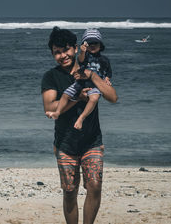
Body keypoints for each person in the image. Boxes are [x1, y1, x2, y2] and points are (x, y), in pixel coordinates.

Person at [41, 27, 117, 224]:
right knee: (69, 192)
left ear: (75, 49)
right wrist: (78, 98)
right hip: (65, 144)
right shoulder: (51, 77)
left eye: (66, 50)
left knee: (95, 186)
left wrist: (92, 76)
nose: (62, 55)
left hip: (92, 141)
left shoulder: (92, 68)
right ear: (52, 54)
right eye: (57, 52)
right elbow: (49, 107)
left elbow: (113, 97)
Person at [45, 28, 112, 130]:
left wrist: (106, 78)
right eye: (89, 43)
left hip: (94, 86)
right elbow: (80, 59)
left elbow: (113, 96)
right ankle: (57, 113)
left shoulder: (104, 60)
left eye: (95, 43)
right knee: (66, 93)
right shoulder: (85, 57)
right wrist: (83, 51)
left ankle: (81, 118)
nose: (92, 45)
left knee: (93, 99)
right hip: (81, 83)